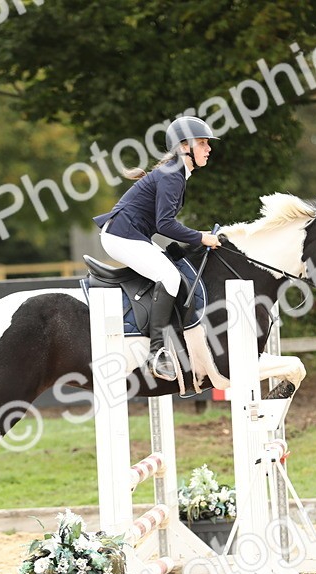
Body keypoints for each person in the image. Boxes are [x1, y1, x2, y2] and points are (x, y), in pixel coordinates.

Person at [93, 116, 221, 381]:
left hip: (130, 234)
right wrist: (200, 237)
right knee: (170, 277)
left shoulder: (176, 173)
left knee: (170, 271)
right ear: (184, 146)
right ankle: (157, 352)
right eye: (203, 143)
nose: (208, 149)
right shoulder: (173, 174)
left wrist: (197, 237)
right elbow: (165, 223)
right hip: (122, 236)